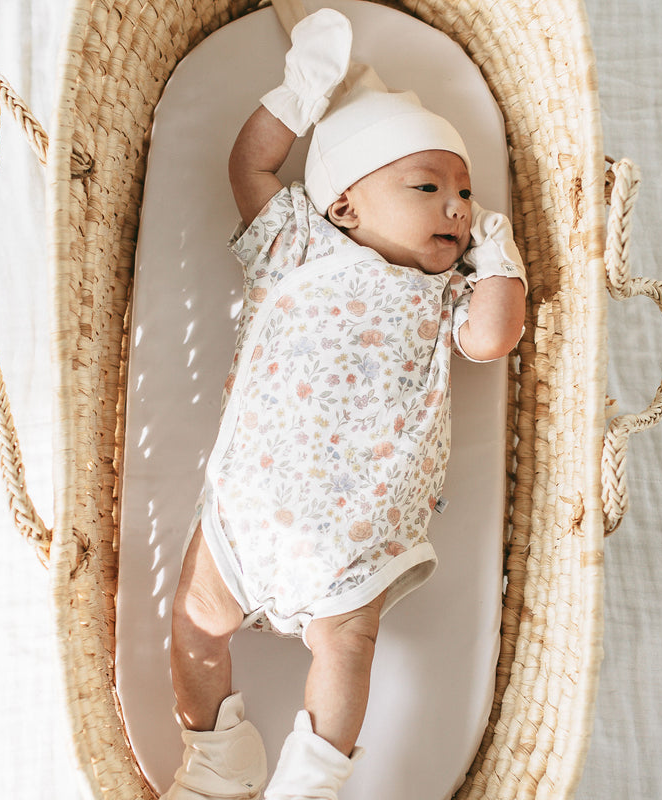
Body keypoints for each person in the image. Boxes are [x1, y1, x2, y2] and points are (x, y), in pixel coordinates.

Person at [161, 9, 526, 800]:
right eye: (426, 186)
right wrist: (300, 94)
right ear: (344, 206)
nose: (457, 208)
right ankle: (218, 756)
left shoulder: (446, 291)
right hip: (251, 509)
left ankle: (317, 774)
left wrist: (500, 256)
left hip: (361, 527)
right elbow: (250, 169)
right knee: (194, 622)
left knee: (347, 647)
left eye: (464, 192)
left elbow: (494, 340)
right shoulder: (295, 242)